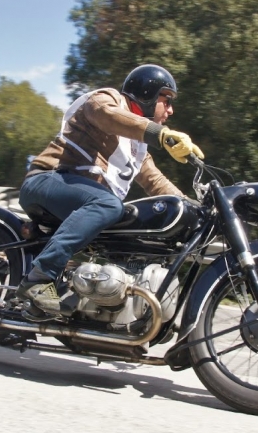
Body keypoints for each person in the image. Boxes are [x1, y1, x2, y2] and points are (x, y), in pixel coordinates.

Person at [16, 64, 204, 321]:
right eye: (167, 100)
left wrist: (195, 207)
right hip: (47, 181)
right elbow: (106, 115)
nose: (170, 110)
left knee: (130, 233)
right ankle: (39, 278)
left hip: (81, 201)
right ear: (148, 93)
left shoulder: (137, 148)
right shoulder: (106, 100)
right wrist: (161, 135)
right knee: (110, 205)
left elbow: (155, 181)